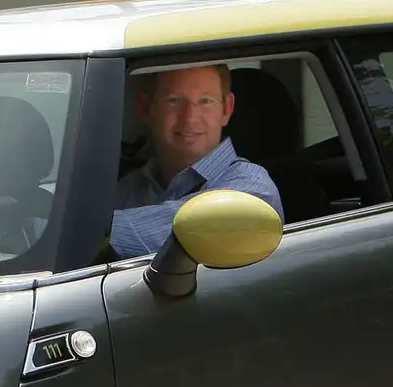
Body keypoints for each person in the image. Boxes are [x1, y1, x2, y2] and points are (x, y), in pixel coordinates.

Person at [110, 64, 283, 257]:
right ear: (145, 108)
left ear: (227, 109)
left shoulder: (254, 189)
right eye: (174, 101)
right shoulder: (126, 189)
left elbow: (183, 231)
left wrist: (90, 228)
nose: (190, 118)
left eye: (205, 101)